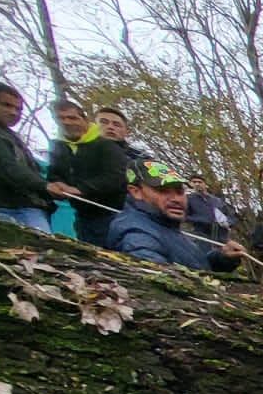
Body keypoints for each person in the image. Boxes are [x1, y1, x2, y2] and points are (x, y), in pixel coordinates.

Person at [108, 161, 246, 273]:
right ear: (136, 192)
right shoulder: (136, 234)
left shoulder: (163, 224)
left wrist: (222, 257)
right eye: (163, 191)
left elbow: (190, 266)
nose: (176, 199)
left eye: (179, 191)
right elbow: (161, 283)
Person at [0, 81, 63, 233]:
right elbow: (5, 166)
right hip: (5, 206)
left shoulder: (7, 133)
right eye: (6, 105)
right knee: (36, 249)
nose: (14, 112)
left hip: (25, 205)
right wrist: (45, 186)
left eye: (18, 109)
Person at [44, 100, 130, 247]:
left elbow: (116, 177)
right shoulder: (60, 147)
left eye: (72, 118)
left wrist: (81, 189)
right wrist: (57, 184)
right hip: (84, 216)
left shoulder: (110, 147)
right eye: (61, 118)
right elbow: (54, 172)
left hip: (116, 214)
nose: (67, 122)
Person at [184, 174, 235, 245]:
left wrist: (228, 223)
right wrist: (203, 220)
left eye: (199, 182)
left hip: (220, 237)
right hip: (200, 237)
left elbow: (230, 216)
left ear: (205, 184)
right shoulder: (188, 199)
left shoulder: (217, 201)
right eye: (194, 182)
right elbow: (184, 217)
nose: (197, 184)